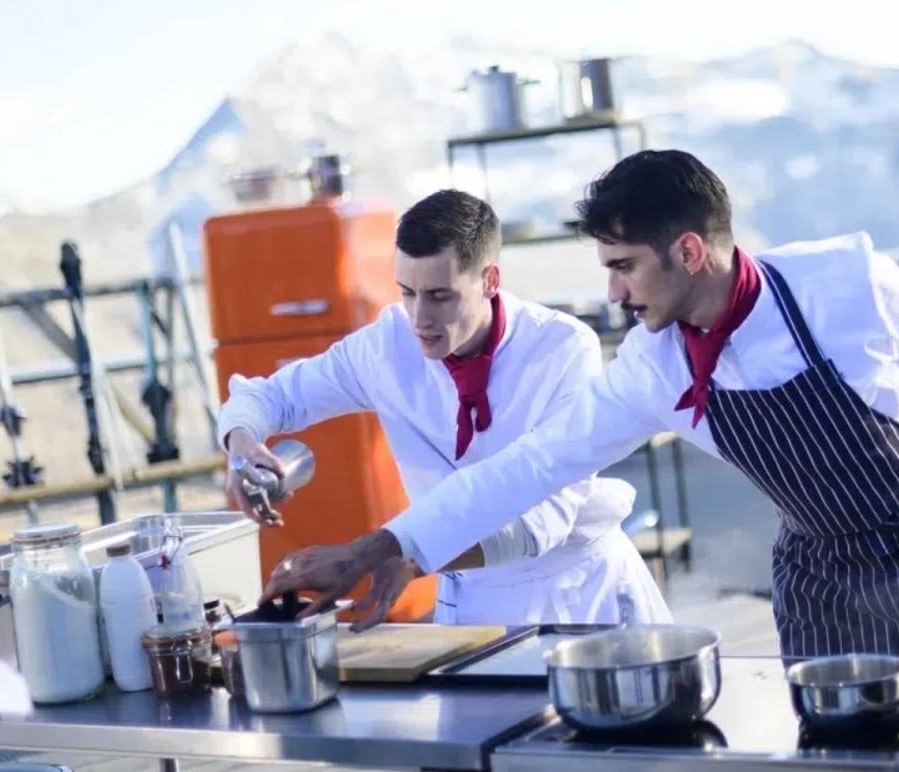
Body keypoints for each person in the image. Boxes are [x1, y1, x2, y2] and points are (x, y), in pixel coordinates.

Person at [258, 150, 899, 659]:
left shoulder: (843, 286)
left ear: (689, 251)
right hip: (823, 581)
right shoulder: (652, 368)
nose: (612, 292)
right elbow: (529, 467)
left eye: (624, 266)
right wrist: (386, 547)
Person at [218, 188, 670, 629]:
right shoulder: (385, 347)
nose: (419, 318)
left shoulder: (562, 348)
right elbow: (270, 397)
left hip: (576, 599)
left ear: (490, 280)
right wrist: (242, 444)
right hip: (468, 601)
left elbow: (541, 522)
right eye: (407, 293)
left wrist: (402, 555)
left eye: (440, 296)